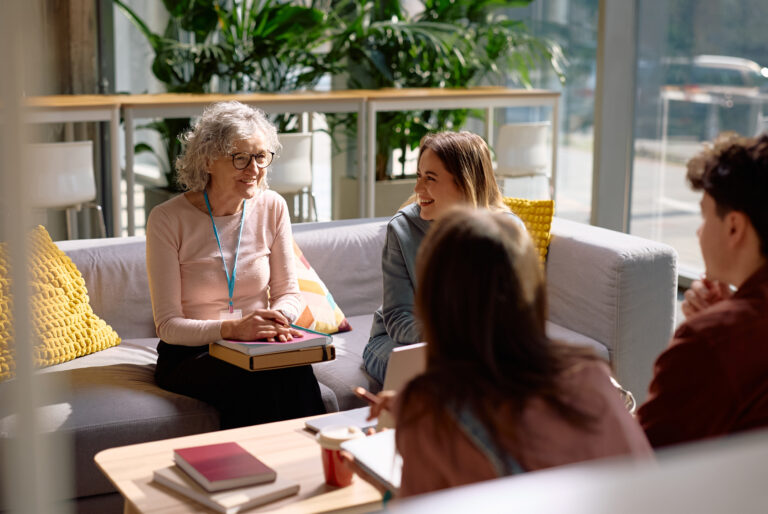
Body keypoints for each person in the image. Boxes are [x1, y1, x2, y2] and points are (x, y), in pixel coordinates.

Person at [354, 208, 652, 498]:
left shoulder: (432, 420)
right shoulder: (591, 376)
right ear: (533, 293)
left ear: (434, 305)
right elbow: (646, 488)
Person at [146, 101, 325, 429]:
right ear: (208, 160)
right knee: (255, 380)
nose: (254, 169)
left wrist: (277, 318)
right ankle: (254, 472)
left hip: (255, 341)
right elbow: (168, 326)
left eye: (261, 156)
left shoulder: (272, 207)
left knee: (296, 369)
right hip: (192, 351)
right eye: (240, 158)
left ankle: (313, 460)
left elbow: (289, 294)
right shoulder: (167, 219)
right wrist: (231, 329)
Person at [637, 133, 768, 448]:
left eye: (704, 215)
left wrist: (715, 328)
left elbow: (640, 463)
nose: (698, 230)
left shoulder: (707, 343)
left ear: (734, 227)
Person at [363, 131, 514, 383]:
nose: (417, 188)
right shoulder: (402, 229)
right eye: (419, 176)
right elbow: (399, 318)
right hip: (398, 343)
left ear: (464, 183)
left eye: (430, 178)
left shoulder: (507, 232)